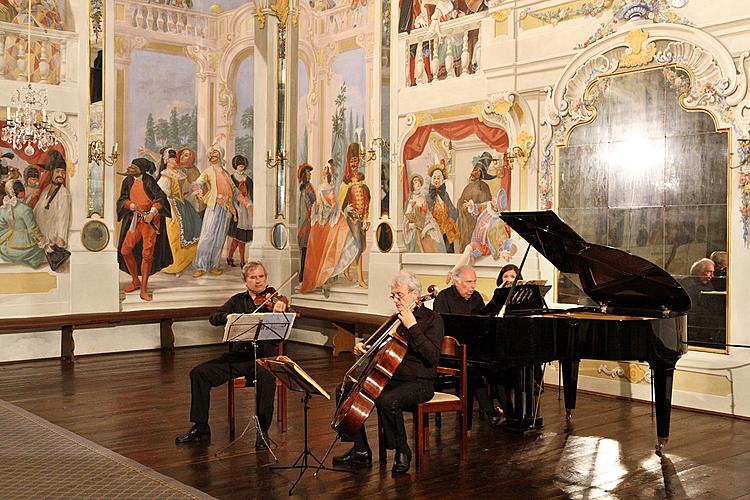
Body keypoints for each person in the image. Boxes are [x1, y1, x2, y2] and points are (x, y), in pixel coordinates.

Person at [333, 271, 443, 473]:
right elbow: (382, 346)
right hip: (392, 377)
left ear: (415, 293)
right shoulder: (396, 319)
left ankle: (402, 450)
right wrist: (364, 347)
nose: (396, 300)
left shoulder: (432, 319)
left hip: (420, 382)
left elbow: (432, 356)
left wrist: (413, 326)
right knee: (344, 389)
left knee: (387, 401)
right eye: (393, 295)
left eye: (399, 295)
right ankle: (360, 450)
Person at [175, 261, 288, 448]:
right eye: (253, 277)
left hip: (263, 358)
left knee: (267, 376)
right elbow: (214, 317)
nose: (258, 281)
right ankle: (201, 426)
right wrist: (229, 317)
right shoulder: (237, 300)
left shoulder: (275, 301)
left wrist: (279, 314)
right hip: (238, 357)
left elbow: (279, 336)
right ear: (245, 281)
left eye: (261, 277)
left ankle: (263, 430)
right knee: (199, 373)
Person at [433, 265, 501, 427]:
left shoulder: (476, 297)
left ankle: (511, 414)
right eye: (468, 282)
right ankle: (489, 413)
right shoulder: (444, 298)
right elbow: (441, 330)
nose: (473, 286)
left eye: (474, 282)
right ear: (456, 281)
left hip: (472, 350)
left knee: (498, 366)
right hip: (449, 353)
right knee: (472, 369)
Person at [116, 158, 173, 301]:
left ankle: (144, 289)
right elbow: (122, 199)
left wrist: (152, 212)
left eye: (133, 167)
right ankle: (135, 281)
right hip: (135, 220)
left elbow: (160, 198)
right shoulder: (127, 181)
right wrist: (130, 205)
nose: (130, 168)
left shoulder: (149, 181)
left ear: (141, 169)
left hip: (150, 222)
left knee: (147, 255)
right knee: (125, 250)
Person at [192, 145, 238, 277]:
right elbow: (198, 183)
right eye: (211, 153)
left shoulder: (226, 174)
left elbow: (234, 190)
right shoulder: (208, 171)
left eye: (215, 152)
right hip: (214, 205)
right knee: (207, 235)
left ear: (221, 155)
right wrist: (198, 190)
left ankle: (214, 265)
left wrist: (246, 202)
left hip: (226, 208)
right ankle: (200, 265)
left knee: (220, 237)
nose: (212, 155)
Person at [156, 148, 201, 275]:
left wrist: (195, 192)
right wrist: (170, 208)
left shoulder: (181, 173)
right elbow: (162, 195)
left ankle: (185, 262)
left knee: (194, 228)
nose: (175, 159)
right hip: (170, 206)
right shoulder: (165, 175)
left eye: (175, 157)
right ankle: (174, 265)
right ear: (166, 160)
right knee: (174, 234)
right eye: (172, 158)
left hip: (184, 206)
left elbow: (186, 190)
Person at [0, 179, 46, 268]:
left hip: (7, 246)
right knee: (39, 253)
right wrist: (44, 242)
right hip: (25, 244)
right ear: (22, 192)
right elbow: (33, 230)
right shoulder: (25, 209)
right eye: (22, 189)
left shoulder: (3, 208)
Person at [456, 152, 495, 252]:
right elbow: (460, 202)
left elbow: (488, 205)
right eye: (474, 170)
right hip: (465, 222)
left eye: (477, 171)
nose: (473, 173)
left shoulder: (484, 187)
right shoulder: (468, 187)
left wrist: (474, 207)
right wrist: (461, 205)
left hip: (477, 222)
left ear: (482, 174)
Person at [33, 152, 71, 249]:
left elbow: (63, 218)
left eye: (63, 172)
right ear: (52, 173)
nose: (61, 175)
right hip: (40, 239)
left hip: (52, 241)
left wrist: (61, 240)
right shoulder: (46, 190)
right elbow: (36, 211)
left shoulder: (63, 193)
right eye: (58, 172)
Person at [403, 174, 445, 253]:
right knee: (417, 233)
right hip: (415, 225)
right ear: (412, 185)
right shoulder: (411, 199)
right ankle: (422, 252)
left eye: (418, 181)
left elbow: (427, 214)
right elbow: (407, 216)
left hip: (425, 223)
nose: (418, 183)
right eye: (415, 182)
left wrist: (428, 225)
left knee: (433, 232)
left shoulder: (423, 197)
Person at [226, 154, 254, 268]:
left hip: (246, 209)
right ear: (235, 166)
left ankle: (233, 258)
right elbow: (229, 193)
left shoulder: (248, 179)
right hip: (236, 209)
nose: (240, 166)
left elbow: (252, 194)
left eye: (242, 165)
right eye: (238, 164)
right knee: (238, 238)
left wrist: (250, 205)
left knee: (240, 238)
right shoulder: (231, 178)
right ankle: (239, 260)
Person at [425, 163, 458, 253]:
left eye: (438, 178)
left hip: (447, 228)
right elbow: (425, 214)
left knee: (449, 249)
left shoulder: (445, 194)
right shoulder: (428, 197)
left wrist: (451, 219)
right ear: (432, 180)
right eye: (434, 178)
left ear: (442, 180)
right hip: (435, 229)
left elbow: (452, 209)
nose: (436, 180)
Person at [297, 163, 315, 283]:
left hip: (307, 221)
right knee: (304, 249)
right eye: (307, 172)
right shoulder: (305, 187)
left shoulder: (307, 187)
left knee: (306, 250)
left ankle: (304, 275)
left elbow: (313, 203)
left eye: (310, 172)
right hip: (304, 222)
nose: (309, 174)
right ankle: (303, 275)